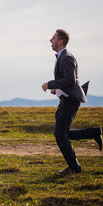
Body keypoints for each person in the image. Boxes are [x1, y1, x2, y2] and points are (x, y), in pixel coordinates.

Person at [42, 29, 102, 175]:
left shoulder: (66, 57)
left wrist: (51, 84)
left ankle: (74, 168)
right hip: (67, 99)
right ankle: (93, 132)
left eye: (53, 38)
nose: (50, 40)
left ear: (60, 41)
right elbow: (68, 81)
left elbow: (70, 80)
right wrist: (58, 89)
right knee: (62, 133)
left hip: (70, 101)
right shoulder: (62, 57)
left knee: (59, 134)